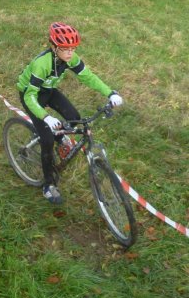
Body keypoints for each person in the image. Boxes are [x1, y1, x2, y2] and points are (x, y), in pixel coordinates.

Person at [16, 22, 123, 205]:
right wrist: (46, 117)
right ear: (54, 47)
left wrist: (110, 92)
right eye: (65, 49)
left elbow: (88, 77)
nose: (70, 53)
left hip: (49, 90)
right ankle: (48, 185)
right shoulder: (41, 64)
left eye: (73, 48)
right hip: (32, 95)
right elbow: (29, 96)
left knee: (74, 117)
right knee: (47, 140)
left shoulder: (70, 58)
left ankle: (60, 137)